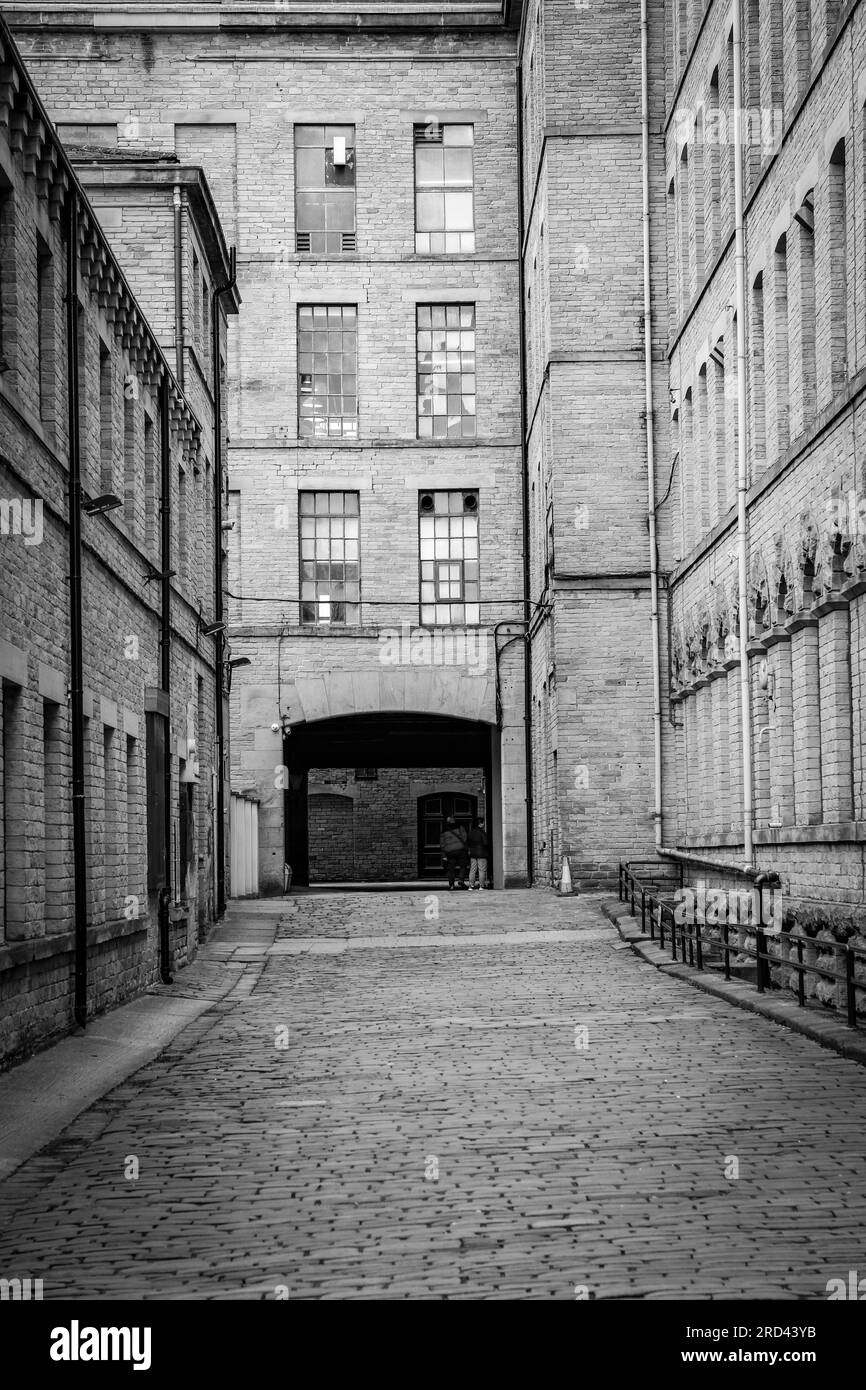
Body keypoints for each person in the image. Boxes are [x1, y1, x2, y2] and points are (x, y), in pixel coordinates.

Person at [440, 816, 468, 889]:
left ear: (447, 822)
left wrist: (444, 855)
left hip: (450, 852)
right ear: (454, 821)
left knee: (451, 869)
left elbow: (442, 844)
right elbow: (465, 837)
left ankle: (451, 885)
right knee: (463, 866)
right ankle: (461, 880)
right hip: (460, 850)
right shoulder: (460, 827)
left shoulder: (443, 830)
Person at [467, 817, 491, 890]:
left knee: (472, 869)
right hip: (482, 853)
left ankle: (471, 886)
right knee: (482, 870)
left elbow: (468, 842)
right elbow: (485, 843)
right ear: (479, 824)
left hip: (473, 853)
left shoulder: (471, 832)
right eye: (482, 822)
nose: (483, 824)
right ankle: (481, 886)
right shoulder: (482, 832)